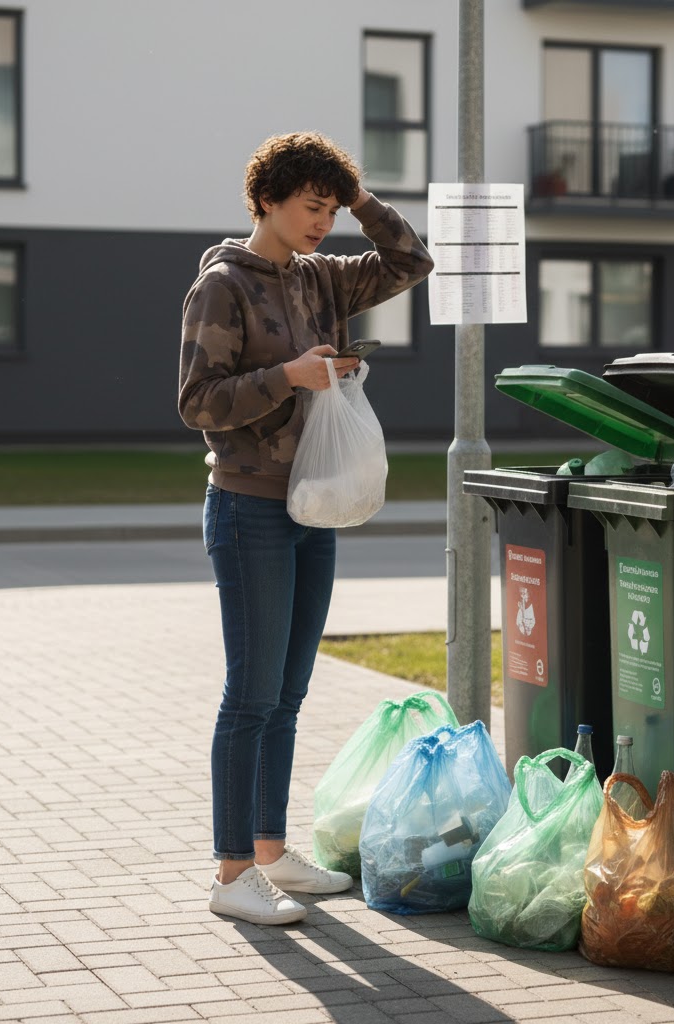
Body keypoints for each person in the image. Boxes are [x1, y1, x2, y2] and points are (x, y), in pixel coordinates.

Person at [178, 132, 434, 926]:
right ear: (267, 202)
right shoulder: (223, 284)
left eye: (332, 207)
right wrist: (286, 376)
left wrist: (361, 197)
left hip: (310, 505)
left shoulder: (321, 276)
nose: (325, 221)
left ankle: (268, 850)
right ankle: (229, 875)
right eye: (312, 205)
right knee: (250, 694)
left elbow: (409, 263)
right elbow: (197, 402)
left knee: (288, 693)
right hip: (248, 505)